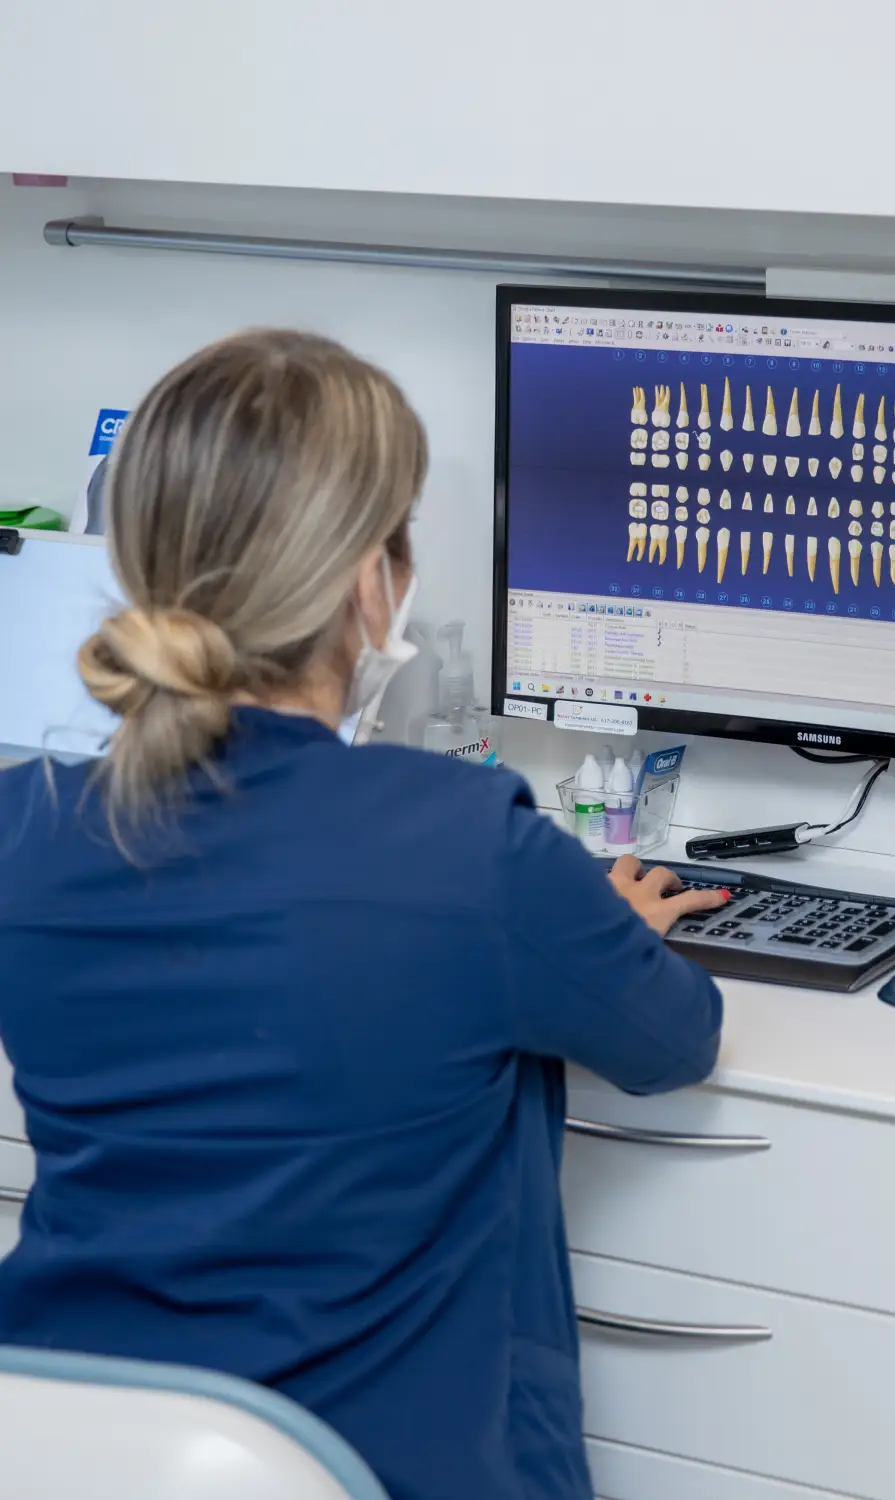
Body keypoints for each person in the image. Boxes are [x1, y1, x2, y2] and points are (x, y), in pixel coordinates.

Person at [0, 330, 730, 1500]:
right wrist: (602, 925)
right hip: (378, 1466)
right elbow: (672, 1041)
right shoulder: (470, 843)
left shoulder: (21, 824)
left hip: (72, 1443)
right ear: (369, 580)